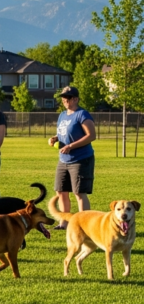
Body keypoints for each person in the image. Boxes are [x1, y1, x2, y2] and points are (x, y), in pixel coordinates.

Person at [49, 86, 96, 227]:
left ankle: (84, 224)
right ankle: (65, 222)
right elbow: (64, 132)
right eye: (63, 97)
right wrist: (55, 138)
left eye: (68, 97)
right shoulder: (62, 115)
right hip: (63, 159)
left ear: (76, 99)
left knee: (79, 192)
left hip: (81, 159)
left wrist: (71, 146)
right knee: (61, 190)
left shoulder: (82, 114)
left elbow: (91, 135)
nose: (64, 100)